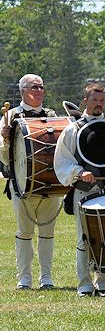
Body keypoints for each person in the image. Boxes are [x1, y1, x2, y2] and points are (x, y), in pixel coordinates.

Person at [0, 74, 63, 290]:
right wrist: (6, 138)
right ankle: (24, 279)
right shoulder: (11, 116)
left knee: (47, 233)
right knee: (25, 233)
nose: (39, 91)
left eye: (41, 87)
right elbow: (2, 153)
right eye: (34, 87)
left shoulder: (51, 116)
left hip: (49, 184)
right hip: (21, 184)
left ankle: (46, 278)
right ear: (23, 91)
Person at [54, 82, 105, 296]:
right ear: (85, 101)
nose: (99, 104)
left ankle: (103, 283)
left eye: (102, 100)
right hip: (83, 190)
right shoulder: (73, 130)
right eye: (94, 100)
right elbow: (62, 161)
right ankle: (84, 284)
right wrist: (80, 172)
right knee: (84, 237)